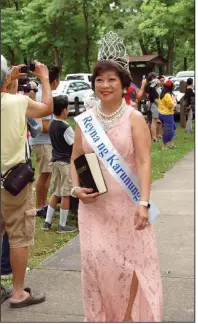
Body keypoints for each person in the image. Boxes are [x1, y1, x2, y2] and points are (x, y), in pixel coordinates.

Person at [70, 57, 163, 321]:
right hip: (94, 209)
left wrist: (143, 203)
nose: (105, 85)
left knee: (129, 265)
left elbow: (145, 163)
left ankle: (124, 318)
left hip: (128, 207)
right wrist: (76, 189)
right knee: (97, 265)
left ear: (124, 86)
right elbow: (76, 159)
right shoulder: (84, 121)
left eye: (112, 79)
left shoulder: (134, 119)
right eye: (99, 79)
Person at [1, 55, 53, 307]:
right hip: (14, 185)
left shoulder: (11, 99)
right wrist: (43, 78)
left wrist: (7, 79)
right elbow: (46, 110)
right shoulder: (18, 102)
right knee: (18, 237)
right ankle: (18, 292)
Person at [41, 95, 77, 233]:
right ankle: (62, 225)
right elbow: (73, 144)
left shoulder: (51, 124)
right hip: (65, 163)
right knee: (66, 194)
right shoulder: (65, 127)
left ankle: (47, 222)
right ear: (64, 110)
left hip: (55, 161)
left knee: (56, 192)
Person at [29, 66, 61, 217]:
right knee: (44, 173)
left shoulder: (42, 92)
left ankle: (43, 204)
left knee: (46, 173)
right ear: (55, 81)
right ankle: (40, 205)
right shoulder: (44, 95)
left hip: (44, 141)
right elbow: (45, 126)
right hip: (42, 141)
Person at [158, 79, 176, 150]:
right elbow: (170, 106)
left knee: (173, 127)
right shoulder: (168, 95)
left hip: (161, 114)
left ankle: (171, 144)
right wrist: (174, 100)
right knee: (167, 130)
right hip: (167, 114)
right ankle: (164, 146)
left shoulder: (162, 94)